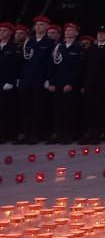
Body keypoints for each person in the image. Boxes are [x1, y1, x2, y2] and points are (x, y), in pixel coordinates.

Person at [18, 15, 55, 143]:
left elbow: (51, 63)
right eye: (37, 25)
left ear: (47, 27)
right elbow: (23, 62)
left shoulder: (50, 43)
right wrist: (20, 78)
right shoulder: (29, 42)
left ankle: (36, 134)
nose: (39, 27)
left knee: (38, 107)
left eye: (42, 24)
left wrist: (49, 79)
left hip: (40, 79)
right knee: (25, 107)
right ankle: (25, 133)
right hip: (27, 79)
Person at [80, 25, 105, 144]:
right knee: (88, 109)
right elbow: (85, 68)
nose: (100, 35)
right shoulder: (91, 49)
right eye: (99, 33)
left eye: (103, 33)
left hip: (103, 85)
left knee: (100, 109)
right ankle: (88, 132)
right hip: (90, 84)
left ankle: (98, 133)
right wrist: (83, 84)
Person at [52, 22, 84, 143]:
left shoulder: (78, 48)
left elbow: (79, 68)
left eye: (71, 30)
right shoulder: (59, 47)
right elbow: (53, 65)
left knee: (70, 110)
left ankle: (70, 134)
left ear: (76, 33)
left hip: (71, 84)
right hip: (58, 82)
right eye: (66, 30)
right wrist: (52, 82)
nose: (68, 32)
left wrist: (71, 83)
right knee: (58, 110)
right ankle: (58, 133)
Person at [0, 22, 20, 141]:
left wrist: (11, 81)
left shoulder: (14, 47)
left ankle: (7, 134)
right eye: (0, 30)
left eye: (5, 31)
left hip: (7, 82)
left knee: (7, 110)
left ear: (10, 33)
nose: (2, 33)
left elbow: (16, 66)